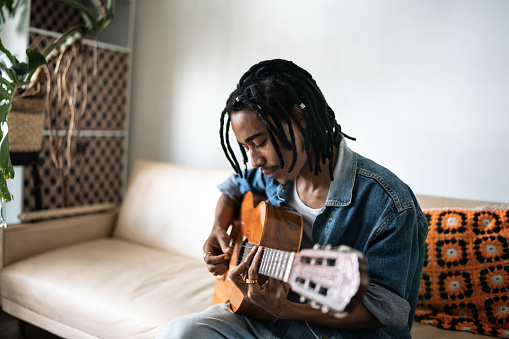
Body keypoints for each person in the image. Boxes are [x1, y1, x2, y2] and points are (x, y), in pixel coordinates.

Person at [158, 59, 428, 338]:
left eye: (260, 142)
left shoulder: (389, 203)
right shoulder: (275, 173)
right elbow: (233, 187)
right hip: (267, 319)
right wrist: (218, 228)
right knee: (182, 331)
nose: (253, 161)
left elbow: (386, 310)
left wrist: (288, 309)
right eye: (245, 147)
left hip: (335, 333)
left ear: (301, 121)